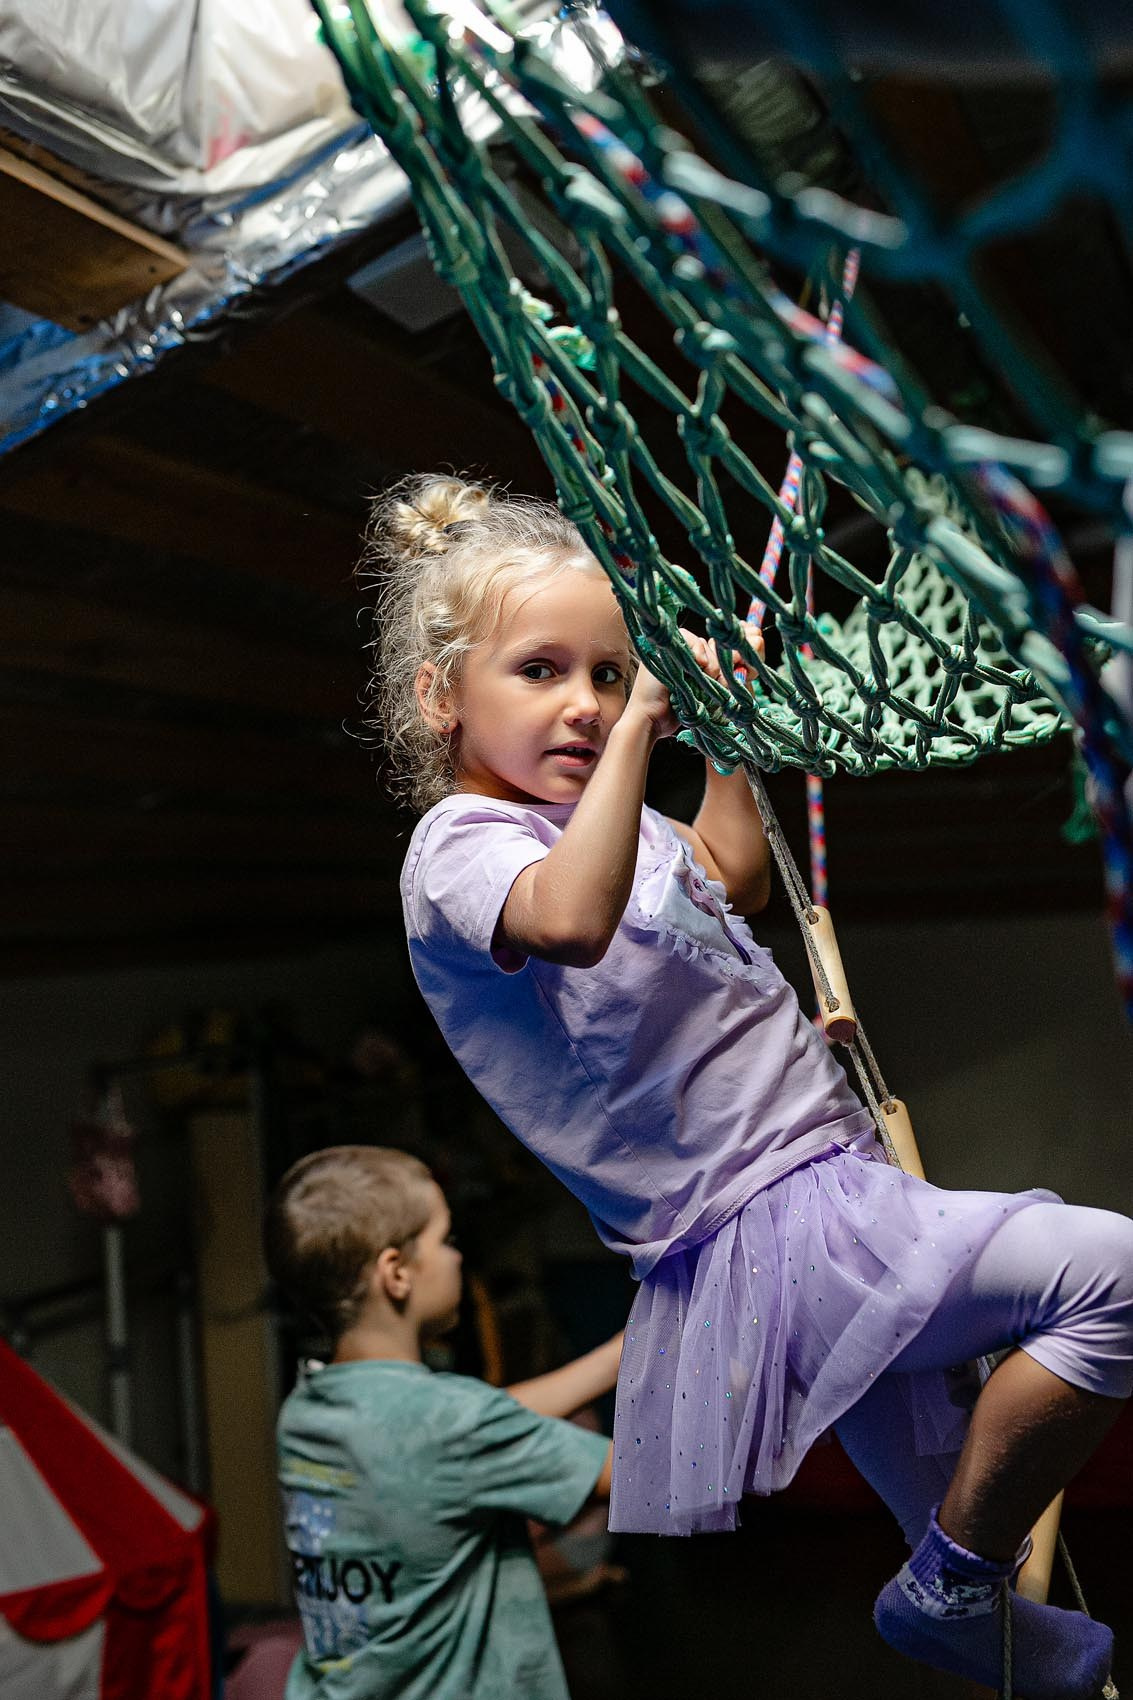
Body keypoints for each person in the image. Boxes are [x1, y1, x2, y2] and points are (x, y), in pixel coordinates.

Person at [366, 472, 1133, 1700]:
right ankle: (950, 1585)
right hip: (777, 1226)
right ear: (438, 695)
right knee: (1113, 1279)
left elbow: (726, 867)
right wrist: (635, 729)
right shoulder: (463, 844)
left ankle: (970, 1616)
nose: (583, 702)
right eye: (541, 670)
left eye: (608, 674)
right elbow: (569, 919)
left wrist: (713, 722)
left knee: (973, 1559)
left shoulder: (616, 822)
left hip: (828, 1187)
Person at [264, 1144, 621, 1700]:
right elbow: (635, 1473)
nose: (458, 1257)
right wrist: (730, 1371)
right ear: (396, 1272)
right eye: (446, 1239)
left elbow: (474, 1424)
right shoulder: (451, 1424)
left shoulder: (309, 1409)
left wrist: (626, 1354)